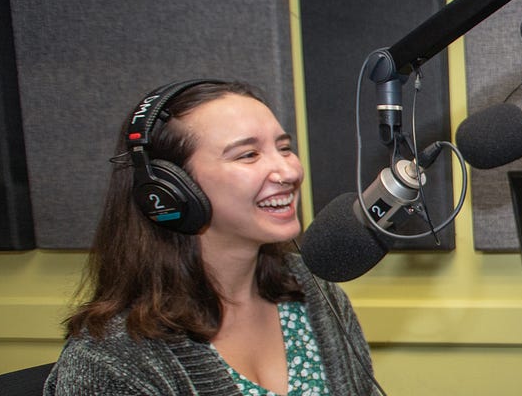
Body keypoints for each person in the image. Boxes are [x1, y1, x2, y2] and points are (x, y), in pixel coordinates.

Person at [46, 80, 378, 395]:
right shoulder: (111, 358)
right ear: (172, 189)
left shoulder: (313, 288)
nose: (290, 172)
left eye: (284, 147)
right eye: (248, 154)